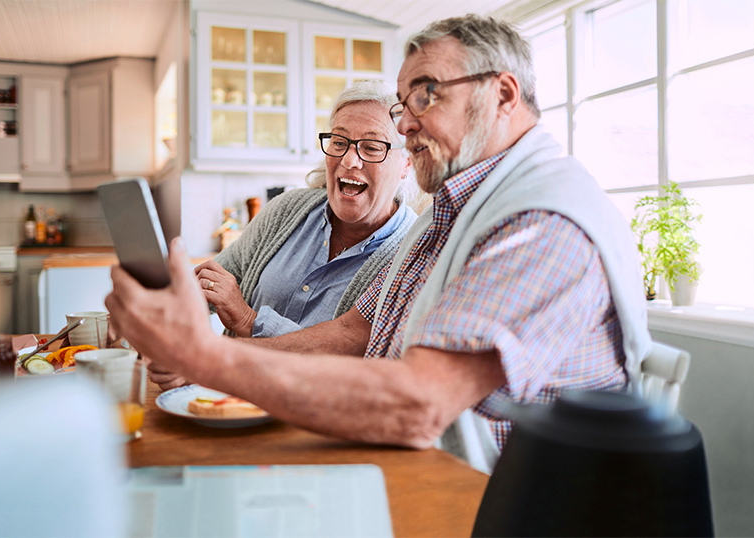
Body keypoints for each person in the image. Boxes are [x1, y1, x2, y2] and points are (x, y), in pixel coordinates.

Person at [107, 15, 651, 459]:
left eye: (427, 95)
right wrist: (213, 363)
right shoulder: (457, 212)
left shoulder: (540, 224)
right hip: (419, 462)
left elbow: (418, 405)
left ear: (503, 94)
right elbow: (352, 332)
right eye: (403, 102)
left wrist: (204, 359)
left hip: (505, 500)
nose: (407, 121)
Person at [192, 81, 418, 339]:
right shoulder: (287, 211)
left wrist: (248, 320)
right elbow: (209, 284)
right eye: (339, 142)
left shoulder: (413, 252)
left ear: (407, 163)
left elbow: (349, 358)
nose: (349, 160)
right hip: (221, 378)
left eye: (372, 147)